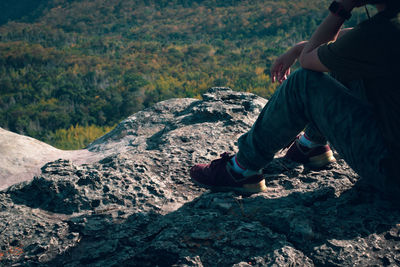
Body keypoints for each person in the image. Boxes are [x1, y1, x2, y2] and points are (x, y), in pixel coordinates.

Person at [190, 0, 400, 197]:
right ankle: (311, 146)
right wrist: (300, 47)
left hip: (389, 172)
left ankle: (241, 170)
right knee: (344, 62)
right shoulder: (387, 28)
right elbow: (352, 41)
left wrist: (341, 8)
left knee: (303, 82)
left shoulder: (379, 33)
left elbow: (310, 61)